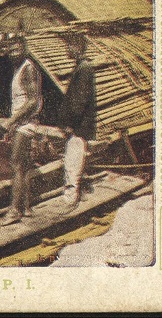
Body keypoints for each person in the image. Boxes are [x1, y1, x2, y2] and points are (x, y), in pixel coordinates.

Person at [0, 36, 46, 226]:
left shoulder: (28, 69)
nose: (13, 53)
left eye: (17, 49)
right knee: (23, 166)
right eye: (10, 50)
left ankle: (14, 210)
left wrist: (12, 121)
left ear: (24, 49)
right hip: (21, 122)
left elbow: (33, 100)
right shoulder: (19, 69)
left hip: (25, 123)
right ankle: (25, 207)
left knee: (16, 164)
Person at [56, 31, 95, 209]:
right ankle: (76, 194)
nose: (67, 49)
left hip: (78, 126)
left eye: (69, 46)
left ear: (77, 47)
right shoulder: (81, 67)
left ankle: (70, 200)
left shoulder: (84, 69)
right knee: (75, 160)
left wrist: (70, 124)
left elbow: (80, 101)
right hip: (79, 125)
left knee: (72, 162)